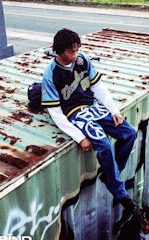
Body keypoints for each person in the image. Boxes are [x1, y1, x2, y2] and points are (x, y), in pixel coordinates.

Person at [41, 28, 138, 216]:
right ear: (59, 50)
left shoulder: (82, 60)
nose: (75, 54)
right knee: (105, 145)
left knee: (129, 133)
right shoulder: (50, 75)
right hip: (75, 112)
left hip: (93, 105)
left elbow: (98, 87)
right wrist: (79, 137)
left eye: (76, 50)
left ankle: (111, 175)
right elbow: (56, 112)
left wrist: (114, 111)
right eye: (71, 51)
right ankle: (119, 192)